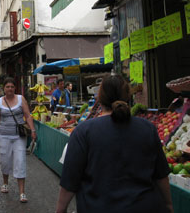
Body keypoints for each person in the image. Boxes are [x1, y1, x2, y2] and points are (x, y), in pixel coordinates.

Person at [56, 74, 173, 213]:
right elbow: (161, 175)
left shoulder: (83, 131)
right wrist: (169, 205)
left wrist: (60, 209)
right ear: (128, 96)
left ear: (99, 98)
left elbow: (70, 180)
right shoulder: (147, 128)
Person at [0, 77, 36, 203]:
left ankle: (22, 192)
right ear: (3, 89)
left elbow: (27, 115)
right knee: (5, 161)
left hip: (19, 137)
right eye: (7, 87)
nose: (10, 89)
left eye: (12, 86)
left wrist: (32, 130)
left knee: (20, 161)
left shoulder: (21, 99)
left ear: (15, 88)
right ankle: (5, 183)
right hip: (3, 136)